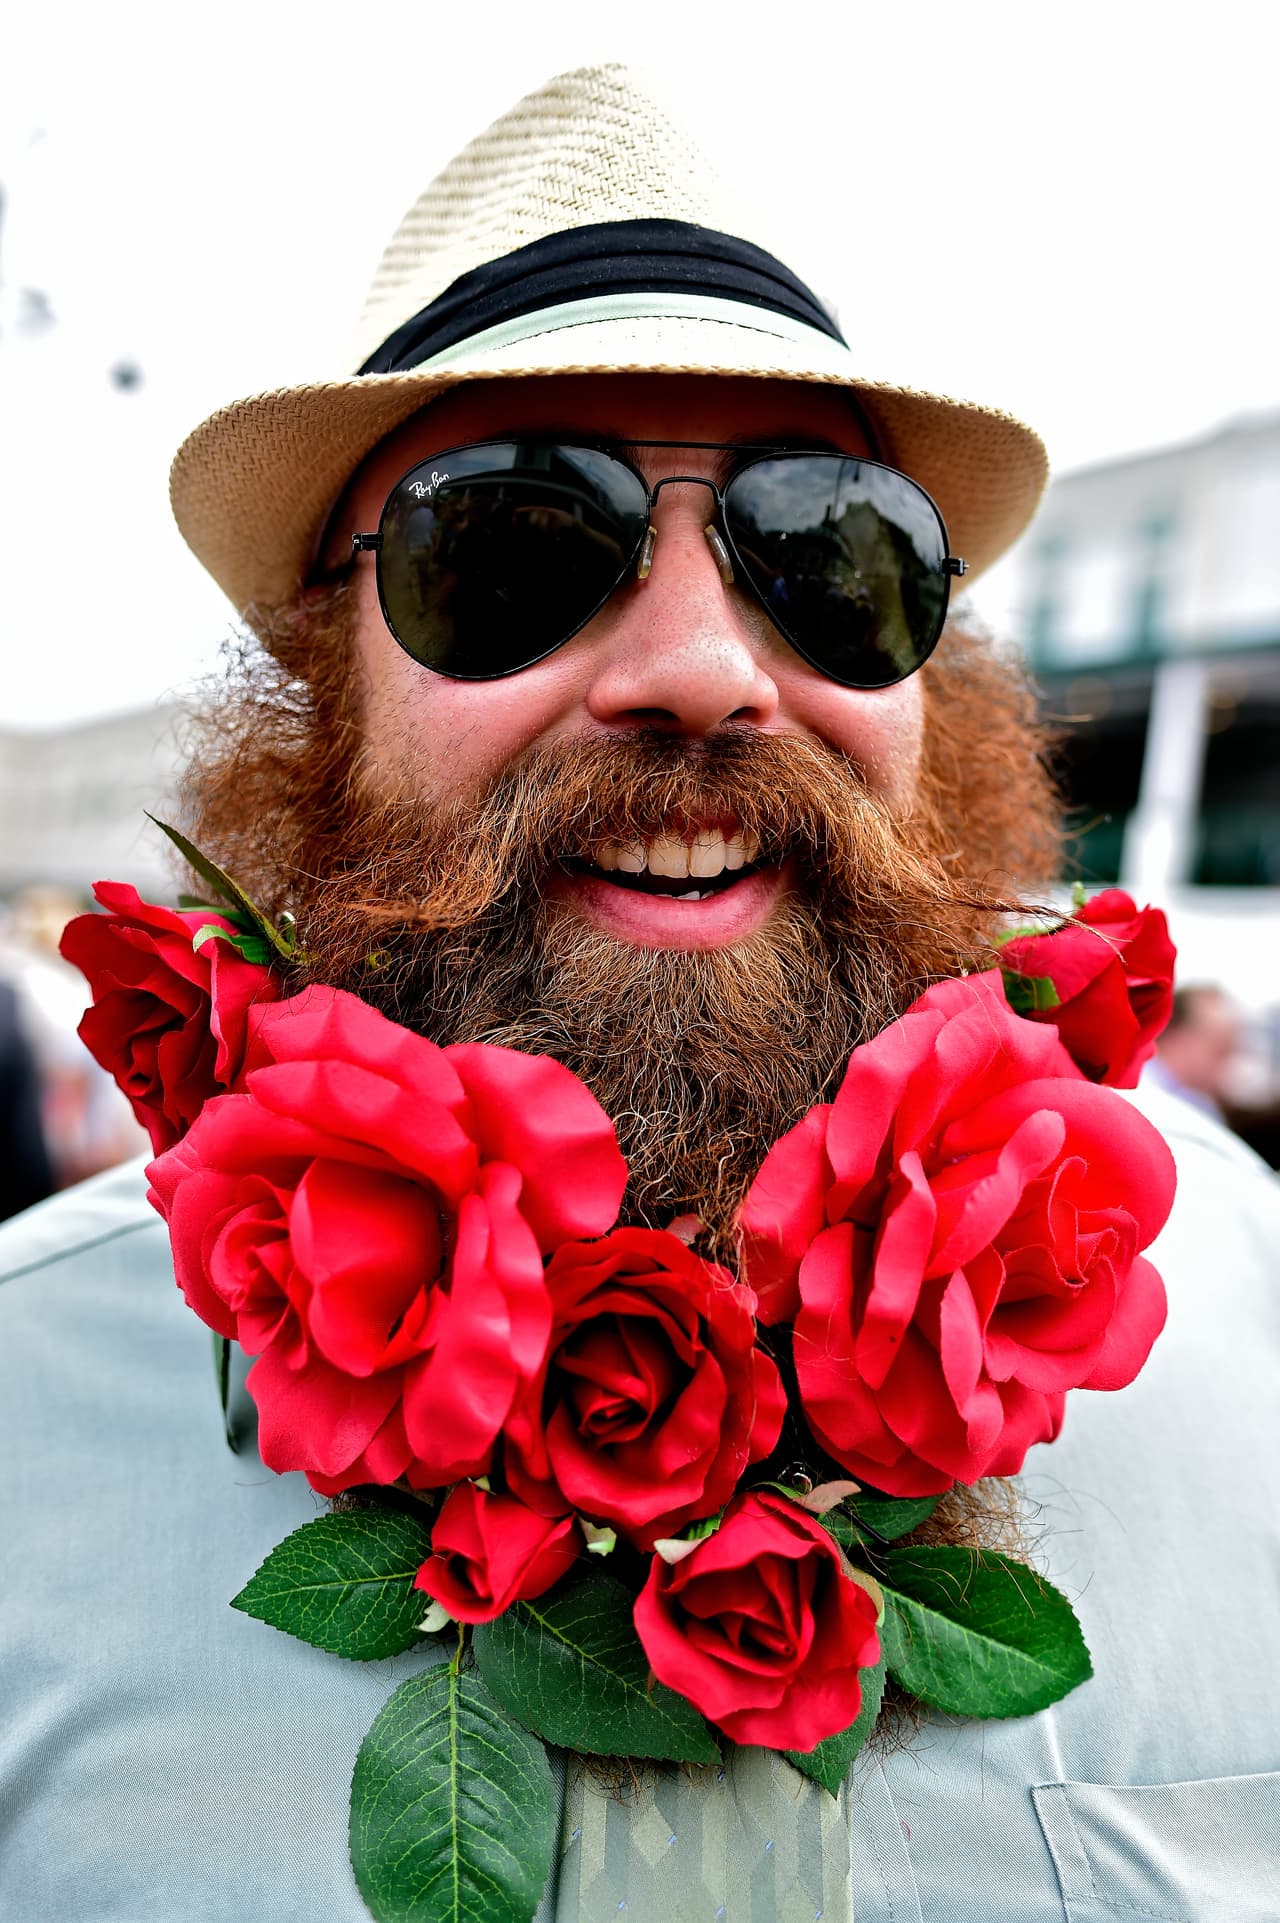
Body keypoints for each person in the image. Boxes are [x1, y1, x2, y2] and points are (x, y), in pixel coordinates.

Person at [1, 65, 1275, 1923]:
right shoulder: (24, 1423)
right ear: (317, 689)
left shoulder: (1262, 1313)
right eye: (515, 541)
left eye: (833, 552)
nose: (702, 670)